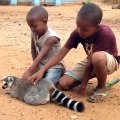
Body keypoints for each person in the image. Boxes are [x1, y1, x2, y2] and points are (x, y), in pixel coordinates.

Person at [28, 3, 120, 103]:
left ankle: (101, 87)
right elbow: (61, 53)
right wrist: (42, 70)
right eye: (78, 26)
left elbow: (92, 61)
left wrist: (83, 87)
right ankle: (95, 74)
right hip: (90, 60)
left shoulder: (105, 33)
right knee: (63, 84)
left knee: (97, 57)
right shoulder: (78, 32)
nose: (80, 31)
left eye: (85, 30)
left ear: (96, 26)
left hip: (109, 62)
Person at [22, 6, 64, 85]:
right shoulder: (34, 32)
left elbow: (41, 55)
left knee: (46, 84)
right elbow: (33, 49)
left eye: (34, 26)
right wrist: (35, 67)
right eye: (30, 27)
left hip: (54, 67)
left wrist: (30, 70)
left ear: (45, 22)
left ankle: (61, 74)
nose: (32, 29)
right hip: (41, 65)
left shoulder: (51, 38)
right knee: (29, 80)